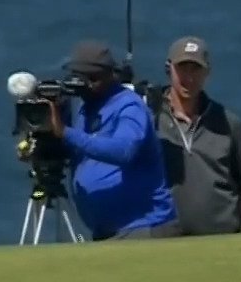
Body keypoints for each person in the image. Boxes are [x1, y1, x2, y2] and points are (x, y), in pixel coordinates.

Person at [44, 40, 179, 241]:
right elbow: (81, 151)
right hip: (106, 232)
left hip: (143, 227)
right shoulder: (84, 108)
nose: (88, 85)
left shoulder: (129, 106)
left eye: (94, 78)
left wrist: (66, 132)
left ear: (110, 75)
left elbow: (124, 150)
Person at [153, 36, 241, 235]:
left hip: (222, 239)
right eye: (183, 68)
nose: (190, 77)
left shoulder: (228, 123)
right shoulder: (149, 119)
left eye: (196, 69)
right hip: (164, 240)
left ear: (207, 72)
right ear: (169, 68)